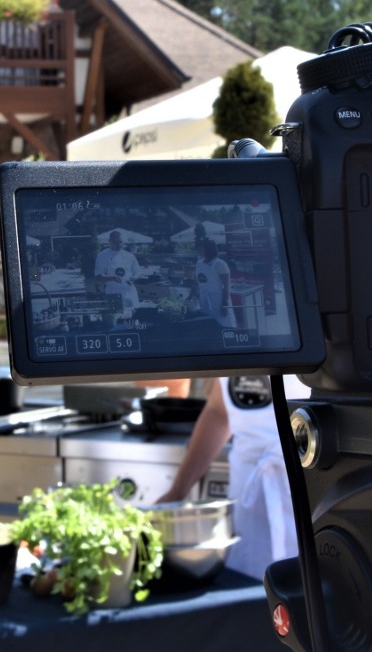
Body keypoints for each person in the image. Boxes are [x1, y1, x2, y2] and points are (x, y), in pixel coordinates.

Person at [156, 375, 309, 581]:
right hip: (246, 500)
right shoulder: (226, 343)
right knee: (248, 593)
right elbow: (219, 412)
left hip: (303, 495)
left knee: (304, 594)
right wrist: (177, 491)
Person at [94, 230, 141, 309]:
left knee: (133, 317)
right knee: (115, 318)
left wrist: (134, 277)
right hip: (112, 292)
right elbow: (98, 276)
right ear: (109, 241)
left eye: (120, 242)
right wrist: (112, 278)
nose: (118, 244)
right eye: (115, 242)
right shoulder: (102, 256)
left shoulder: (130, 256)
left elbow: (138, 272)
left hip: (129, 292)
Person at [194, 238, 236, 328]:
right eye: (197, 248)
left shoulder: (220, 264)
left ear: (208, 249)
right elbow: (197, 282)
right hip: (205, 301)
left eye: (200, 248)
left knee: (224, 325)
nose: (198, 250)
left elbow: (226, 286)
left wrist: (224, 305)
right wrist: (191, 297)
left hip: (219, 301)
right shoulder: (199, 263)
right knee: (210, 326)